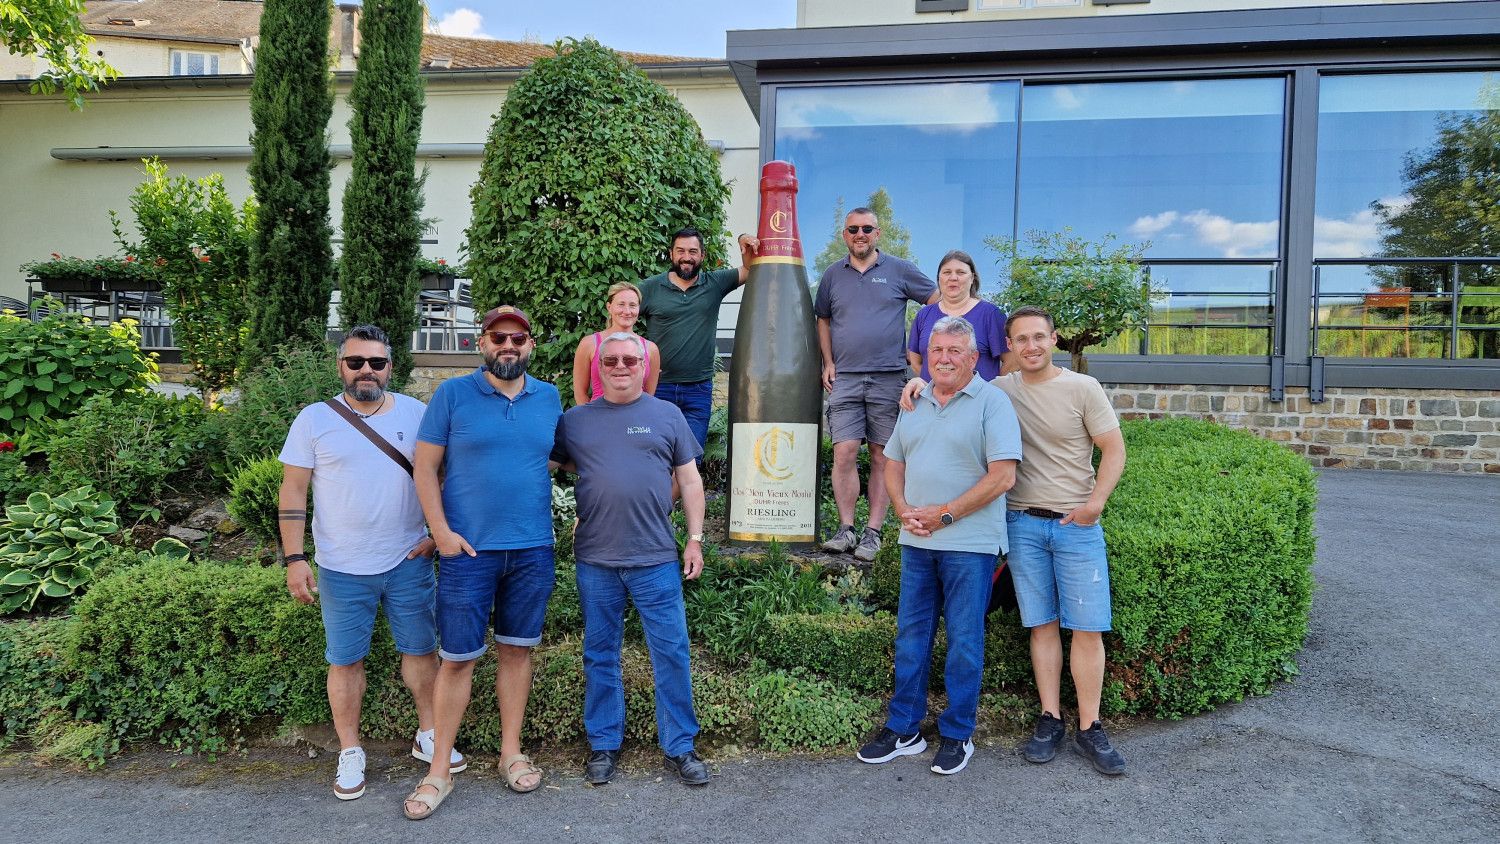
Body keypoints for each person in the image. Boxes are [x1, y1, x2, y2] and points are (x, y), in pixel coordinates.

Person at [277, 324, 466, 801]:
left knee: (421, 651)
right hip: (341, 565)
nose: (366, 370)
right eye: (355, 361)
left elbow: (444, 476)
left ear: (390, 368)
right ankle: (349, 749)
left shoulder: (416, 413)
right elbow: (293, 491)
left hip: (407, 559)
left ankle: (429, 734)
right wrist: (295, 558)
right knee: (345, 660)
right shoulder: (314, 419)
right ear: (340, 366)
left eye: (376, 362)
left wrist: (435, 534)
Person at [403, 306, 563, 820]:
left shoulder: (549, 397)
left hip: (532, 548)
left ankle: (510, 753)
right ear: (482, 343)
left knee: (517, 652)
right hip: (468, 553)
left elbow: (557, 458)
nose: (508, 346)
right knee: (457, 659)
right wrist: (441, 534)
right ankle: (439, 772)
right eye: (499, 337)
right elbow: (425, 468)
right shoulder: (452, 394)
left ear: (530, 345)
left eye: (518, 338)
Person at [855, 316, 1021, 776]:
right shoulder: (916, 400)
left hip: (970, 544)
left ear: (973, 358)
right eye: (936, 350)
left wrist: (944, 514)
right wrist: (903, 507)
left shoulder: (993, 403)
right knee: (911, 636)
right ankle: (904, 729)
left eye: (954, 351)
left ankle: (957, 733)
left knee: (964, 640)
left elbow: (1003, 477)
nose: (944, 359)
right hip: (917, 540)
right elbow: (893, 462)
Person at [551, 332, 711, 788]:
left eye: (629, 360)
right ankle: (603, 743)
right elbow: (548, 466)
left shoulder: (668, 415)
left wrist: (695, 539)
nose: (620, 366)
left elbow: (690, 481)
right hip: (596, 559)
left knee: (672, 652)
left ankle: (680, 746)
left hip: (655, 558)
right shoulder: (574, 421)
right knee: (600, 653)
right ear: (599, 368)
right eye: (611, 360)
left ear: (644, 366)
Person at [997, 305, 1129, 776]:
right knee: (1042, 625)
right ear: (1010, 346)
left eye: (1039, 337)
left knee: (1088, 628)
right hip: (1022, 524)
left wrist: (1095, 504)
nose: (1031, 346)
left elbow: (1114, 449)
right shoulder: (999, 391)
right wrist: (916, 384)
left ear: (1053, 339)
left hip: (1077, 525)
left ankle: (1091, 727)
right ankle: (1050, 718)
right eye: (1021, 339)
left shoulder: (1082, 388)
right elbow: (950, 388)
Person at [815, 207, 938, 562]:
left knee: (882, 455)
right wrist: (828, 362)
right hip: (846, 378)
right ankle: (846, 529)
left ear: (877, 233)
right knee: (843, 452)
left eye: (867, 228)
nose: (860, 234)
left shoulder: (900, 270)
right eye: (853, 229)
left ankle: (873, 532)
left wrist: (919, 355)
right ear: (845, 235)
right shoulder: (832, 275)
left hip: (889, 378)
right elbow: (823, 319)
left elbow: (935, 305)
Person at [639, 227, 759, 450]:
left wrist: (742, 239)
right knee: (657, 457)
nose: (686, 257)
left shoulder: (714, 283)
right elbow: (622, 318)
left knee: (692, 458)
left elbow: (751, 270)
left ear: (702, 255)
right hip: (658, 388)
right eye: (680, 251)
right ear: (671, 254)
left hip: (698, 390)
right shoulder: (650, 288)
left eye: (693, 251)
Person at [906, 250, 1016, 382]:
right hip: (933, 395)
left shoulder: (990, 314)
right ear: (939, 278)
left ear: (972, 278)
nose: (953, 278)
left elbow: (1012, 361)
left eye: (960, 272)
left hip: (979, 395)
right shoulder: (924, 315)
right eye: (947, 272)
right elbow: (916, 362)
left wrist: (991, 390)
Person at [570, 281, 660, 406]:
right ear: (609, 307)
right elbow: (580, 393)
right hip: (599, 415)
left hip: (636, 416)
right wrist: (589, 416)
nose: (627, 311)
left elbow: (649, 395)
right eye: (621, 304)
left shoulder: (651, 349)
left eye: (632, 305)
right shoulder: (589, 344)